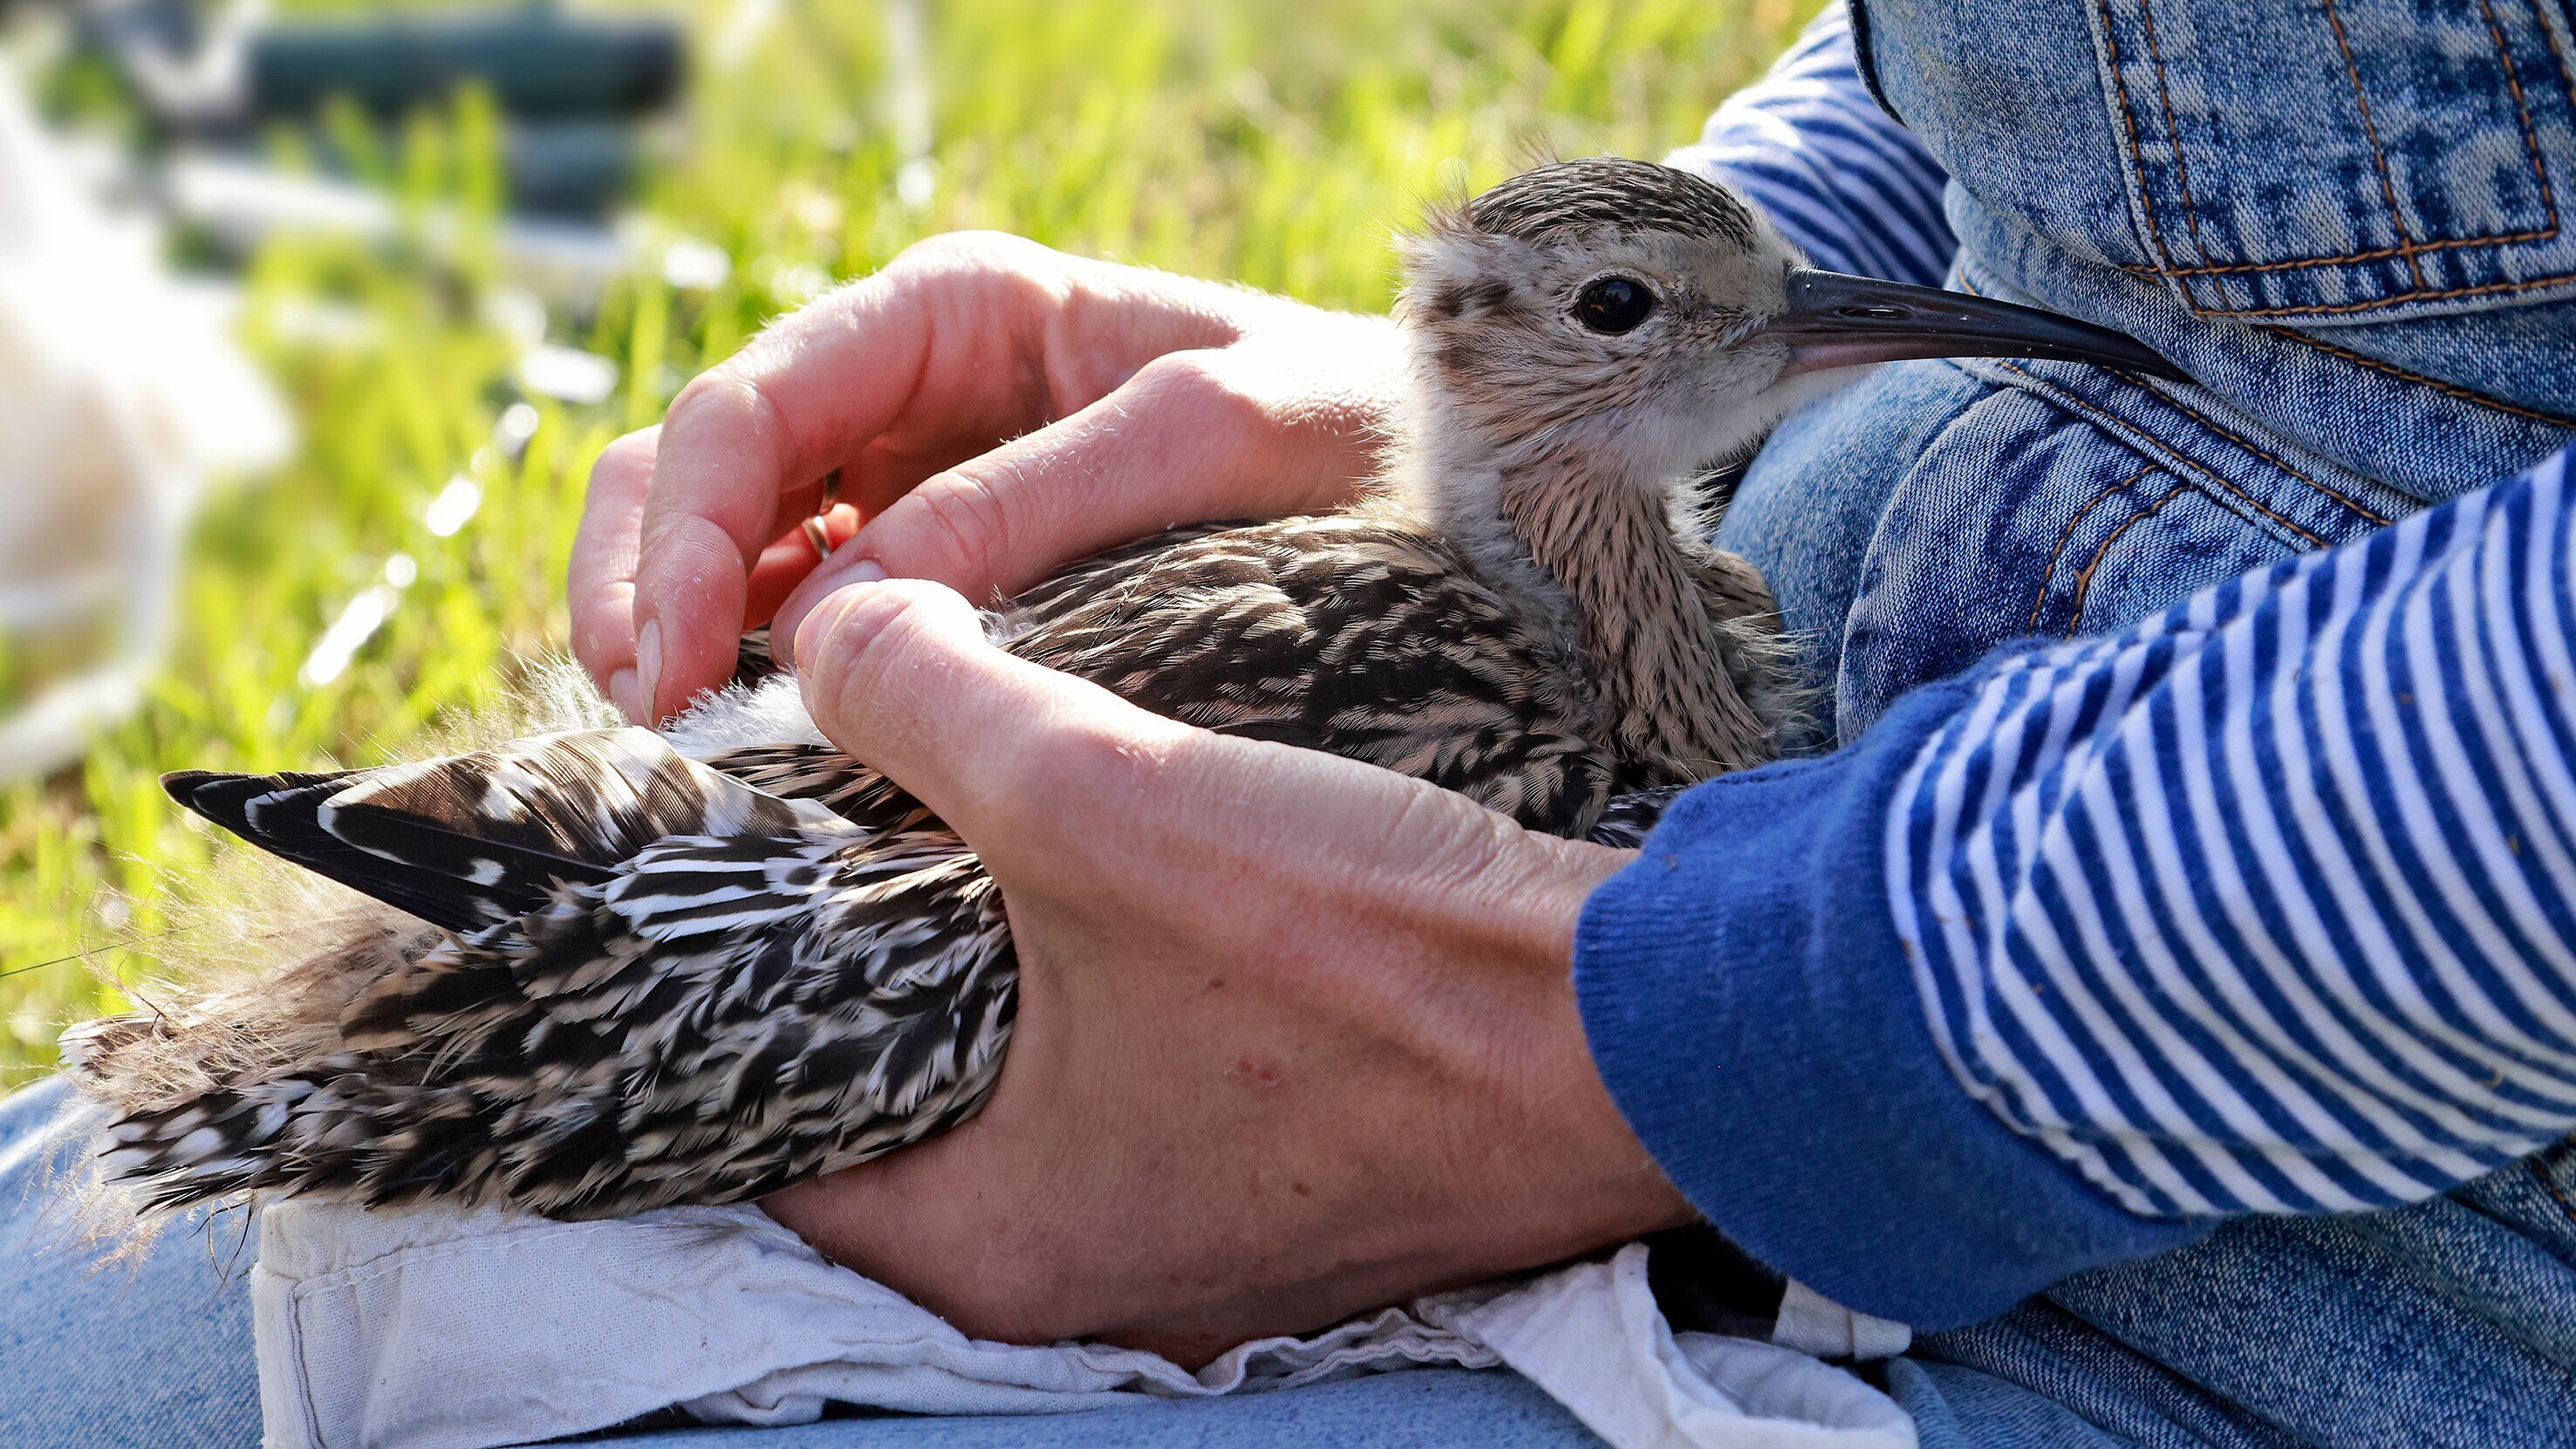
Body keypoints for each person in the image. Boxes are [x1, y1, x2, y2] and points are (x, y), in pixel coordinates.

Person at [7, 3, 2574, 1446]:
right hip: (1728, 916)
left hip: (2319, 1244)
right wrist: (1652, 328)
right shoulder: (1539, 572)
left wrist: (1714, 1026)